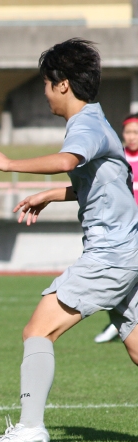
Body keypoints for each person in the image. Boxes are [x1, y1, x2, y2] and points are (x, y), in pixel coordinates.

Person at [0, 38, 138, 442]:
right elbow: (103, 184)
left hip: (111, 255)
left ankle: (31, 426)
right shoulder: (99, 122)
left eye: (47, 85)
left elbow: (68, 162)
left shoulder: (85, 125)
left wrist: (9, 164)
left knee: (38, 330)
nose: (45, 93)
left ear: (63, 84)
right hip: (129, 251)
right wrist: (49, 196)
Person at [94, 112, 138, 343]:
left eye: (135, 132)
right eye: (128, 132)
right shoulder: (118, 157)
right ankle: (119, 322)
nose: (131, 137)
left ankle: (120, 324)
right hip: (122, 229)